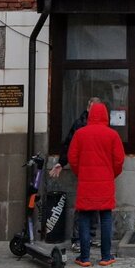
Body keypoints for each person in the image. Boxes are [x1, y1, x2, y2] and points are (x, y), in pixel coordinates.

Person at [67, 101, 125, 267]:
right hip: (105, 182)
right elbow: (119, 160)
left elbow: (72, 158)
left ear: (90, 115)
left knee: (84, 217)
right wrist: (111, 174)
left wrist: (81, 173)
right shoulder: (112, 135)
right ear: (106, 116)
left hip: (86, 183)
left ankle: (84, 258)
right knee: (105, 217)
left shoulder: (80, 134)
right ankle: (106, 256)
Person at [51, 97, 100, 249]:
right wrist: (62, 162)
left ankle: (90, 236)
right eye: (92, 108)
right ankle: (77, 239)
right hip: (85, 170)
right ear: (88, 108)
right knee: (83, 205)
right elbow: (70, 145)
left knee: (96, 204)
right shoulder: (80, 124)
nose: (94, 111)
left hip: (97, 171)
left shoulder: (101, 125)